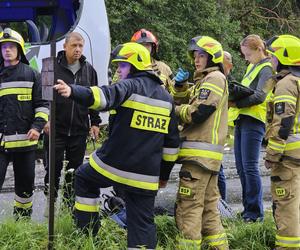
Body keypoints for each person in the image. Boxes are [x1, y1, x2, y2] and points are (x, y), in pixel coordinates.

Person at [54, 42, 180, 249]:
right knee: (142, 222)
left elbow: (102, 97)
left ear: (135, 65)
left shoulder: (130, 85)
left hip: (116, 166)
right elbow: (172, 145)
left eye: (122, 66)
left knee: (84, 178)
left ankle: (87, 236)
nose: (119, 71)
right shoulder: (167, 98)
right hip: (146, 175)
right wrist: (163, 176)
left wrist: (73, 91)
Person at [173, 35, 229, 249]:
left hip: (199, 156)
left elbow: (199, 112)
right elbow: (191, 100)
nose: (196, 59)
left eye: (202, 55)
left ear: (212, 57)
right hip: (206, 158)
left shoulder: (214, 78)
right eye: (195, 55)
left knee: (189, 209)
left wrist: (173, 111)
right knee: (208, 211)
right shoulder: (206, 80)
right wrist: (180, 87)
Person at [43, 32, 101, 214]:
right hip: (55, 129)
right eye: (74, 46)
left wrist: (95, 122)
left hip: (79, 129)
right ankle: (50, 205)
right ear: (65, 46)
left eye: (80, 46)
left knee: (74, 171)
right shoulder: (49, 66)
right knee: (53, 169)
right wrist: (45, 119)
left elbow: (93, 98)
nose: (77, 49)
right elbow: (43, 96)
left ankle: (68, 207)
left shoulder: (89, 70)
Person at [0, 28, 49, 218]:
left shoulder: (33, 74)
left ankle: (21, 224)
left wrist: (37, 127)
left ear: (19, 49)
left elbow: (43, 104)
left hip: (25, 142)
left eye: (11, 46)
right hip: (1, 142)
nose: (7, 50)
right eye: (3, 47)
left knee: (25, 187)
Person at [229, 34, 273, 223]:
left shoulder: (268, 68)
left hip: (255, 120)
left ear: (258, 50)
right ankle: (248, 210)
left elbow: (260, 97)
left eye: (248, 54)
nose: (246, 58)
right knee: (240, 167)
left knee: (249, 167)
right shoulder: (252, 67)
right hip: (242, 119)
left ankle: (255, 213)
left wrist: (235, 103)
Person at [265, 34, 300, 249]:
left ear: (283, 58)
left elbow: (283, 123)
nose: (270, 61)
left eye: (272, 56)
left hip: (288, 156)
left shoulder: (287, 83)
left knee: (286, 205)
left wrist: (272, 155)